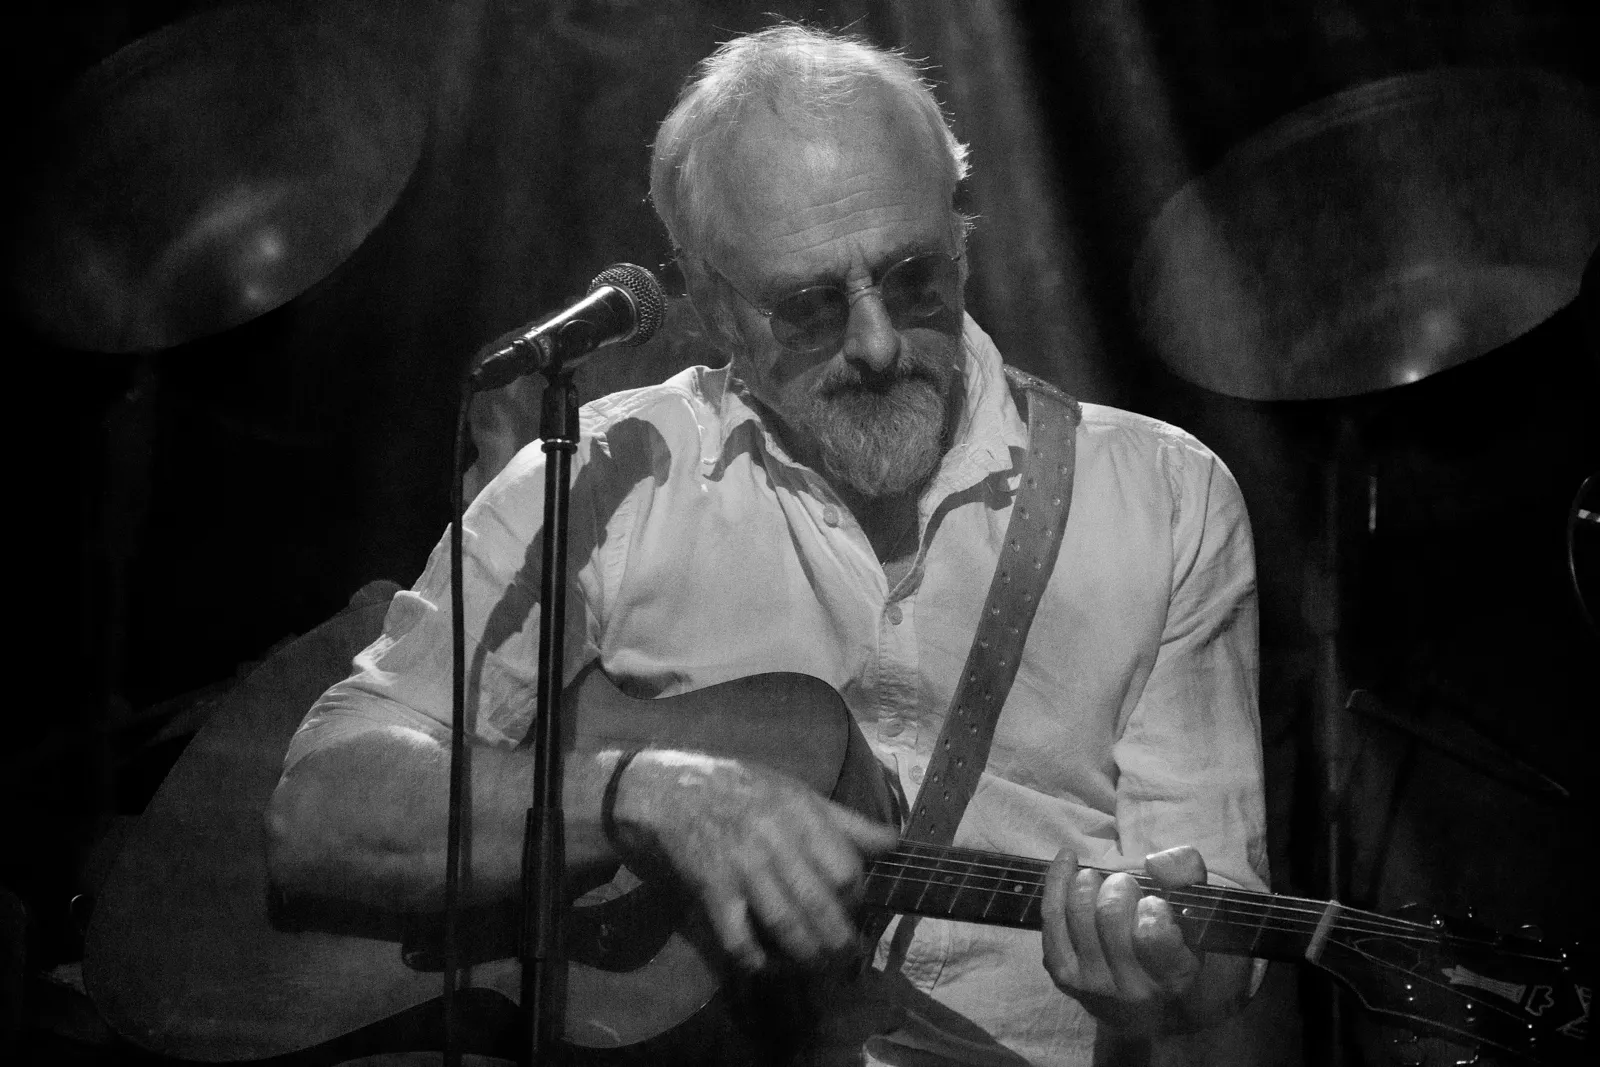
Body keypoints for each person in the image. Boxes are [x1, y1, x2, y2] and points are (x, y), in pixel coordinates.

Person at [266, 24, 1268, 1066]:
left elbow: (1219, 952)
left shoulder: (1163, 496)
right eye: (809, 307)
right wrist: (639, 794)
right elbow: (318, 807)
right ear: (710, 309)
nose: (877, 343)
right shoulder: (602, 477)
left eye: (912, 276)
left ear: (962, 241)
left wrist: (1160, 978)